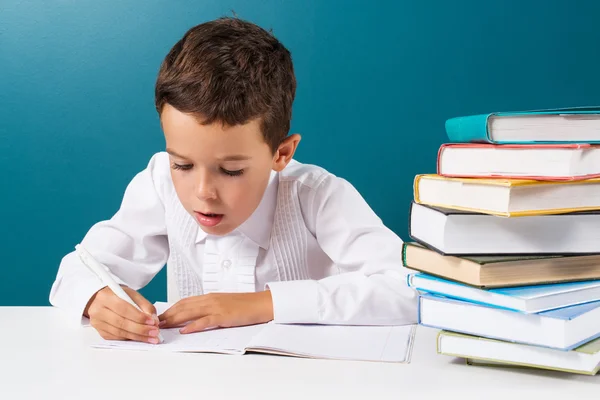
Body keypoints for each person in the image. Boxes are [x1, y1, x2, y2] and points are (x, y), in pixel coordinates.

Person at [49, 17, 417, 344]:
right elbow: (79, 267)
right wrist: (97, 297)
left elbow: (410, 288)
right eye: (183, 164)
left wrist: (264, 304)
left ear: (281, 154)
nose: (202, 193)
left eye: (231, 171)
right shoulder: (158, 183)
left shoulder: (316, 195)